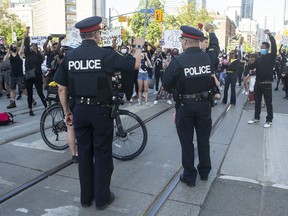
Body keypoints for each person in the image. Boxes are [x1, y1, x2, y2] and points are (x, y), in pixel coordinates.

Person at [53, 16, 144, 210]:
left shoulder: (70, 57)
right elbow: (134, 65)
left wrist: (68, 111)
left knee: (84, 154)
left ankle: (86, 198)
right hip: (101, 111)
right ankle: (102, 199)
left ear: (81, 34)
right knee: (102, 154)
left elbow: (62, 88)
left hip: (80, 111)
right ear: (96, 34)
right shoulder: (105, 54)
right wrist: (139, 47)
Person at [162, 23, 220, 187]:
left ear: (186, 41)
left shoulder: (178, 61)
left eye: (182, 40)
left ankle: (189, 176)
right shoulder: (208, 57)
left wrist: (178, 88)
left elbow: (166, 83)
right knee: (203, 140)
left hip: (185, 106)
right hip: (204, 105)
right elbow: (215, 46)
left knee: (186, 142)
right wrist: (212, 32)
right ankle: (204, 172)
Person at [248, 29, 277, 128]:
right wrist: (249, 61)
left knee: (268, 103)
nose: (262, 49)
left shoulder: (271, 56)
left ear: (267, 49)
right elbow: (251, 67)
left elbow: (274, 47)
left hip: (267, 83)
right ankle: (256, 118)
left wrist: (270, 35)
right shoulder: (258, 59)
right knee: (257, 102)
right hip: (258, 83)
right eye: (261, 48)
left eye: (263, 48)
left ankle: (269, 120)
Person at [24, 27, 47, 116]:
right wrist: (27, 33)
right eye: (32, 46)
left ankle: (46, 107)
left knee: (40, 93)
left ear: (37, 47)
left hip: (37, 75)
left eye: (34, 46)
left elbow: (40, 61)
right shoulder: (27, 53)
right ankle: (30, 109)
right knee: (30, 93)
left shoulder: (39, 55)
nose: (32, 47)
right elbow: (26, 43)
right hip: (29, 75)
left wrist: (37, 52)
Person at [3, 40, 27, 109]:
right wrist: (8, 51)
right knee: (12, 89)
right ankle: (12, 103)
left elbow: (22, 46)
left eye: (14, 46)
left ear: (17, 48)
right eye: (12, 46)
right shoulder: (10, 55)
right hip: (12, 75)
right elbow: (5, 59)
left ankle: (31, 99)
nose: (13, 47)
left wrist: (23, 41)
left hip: (20, 75)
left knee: (23, 89)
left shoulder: (19, 54)